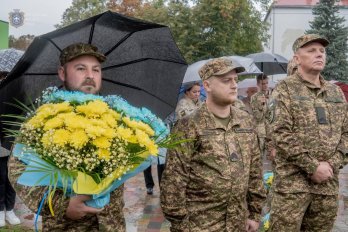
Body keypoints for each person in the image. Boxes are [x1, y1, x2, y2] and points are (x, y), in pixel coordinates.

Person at [8, 43, 126, 231]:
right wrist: (62, 205)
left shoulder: (118, 116)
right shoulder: (43, 119)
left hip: (111, 224)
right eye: (81, 68)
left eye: (96, 70)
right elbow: (18, 170)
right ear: (62, 73)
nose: (90, 75)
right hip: (65, 225)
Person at [160, 57, 266, 231]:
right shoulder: (188, 125)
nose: (234, 85)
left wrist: (255, 214)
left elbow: (254, 170)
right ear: (207, 86)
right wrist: (181, 226)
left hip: (237, 223)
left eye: (235, 80)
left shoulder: (246, 120)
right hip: (200, 225)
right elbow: (173, 181)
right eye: (226, 81)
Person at [267, 34, 348, 231]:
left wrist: (331, 164)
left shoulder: (335, 92)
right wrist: (313, 166)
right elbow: (280, 132)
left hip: (326, 187)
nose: (319, 55)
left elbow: (346, 133)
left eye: (322, 51)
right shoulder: (284, 89)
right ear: (297, 58)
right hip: (292, 188)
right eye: (311, 51)